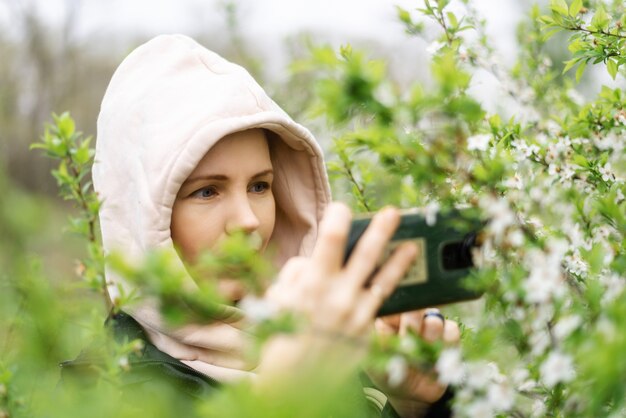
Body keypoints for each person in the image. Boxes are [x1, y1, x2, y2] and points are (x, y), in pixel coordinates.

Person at [64, 34, 460, 417]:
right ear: (141, 214)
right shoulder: (96, 393)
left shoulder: (325, 348)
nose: (249, 220)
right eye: (207, 192)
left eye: (260, 186)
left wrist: (412, 407)